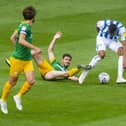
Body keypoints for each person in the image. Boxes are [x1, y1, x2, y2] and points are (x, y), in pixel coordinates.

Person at [0, 6, 41, 114]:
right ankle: (3, 100)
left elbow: (12, 38)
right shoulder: (25, 27)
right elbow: (22, 41)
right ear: (33, 17)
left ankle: (18, 96)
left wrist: (19, 49)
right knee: (12, 82)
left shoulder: (22, 24)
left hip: (27, 59)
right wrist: (35, 48)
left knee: (31, 81)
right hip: (18, 60)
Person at [79, 19, 126, 84]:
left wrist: (124, 60)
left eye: (112, 33)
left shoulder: (122, 30)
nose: (110, 34)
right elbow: (97, 25)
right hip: (102, 39)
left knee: (122, 52)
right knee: (102, 55)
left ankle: (119, 78)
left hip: (113, 41)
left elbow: (124, 44)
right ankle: (87, 69)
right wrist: (99, 34)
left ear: (116, 30)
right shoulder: (104, 23)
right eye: (109, 32)